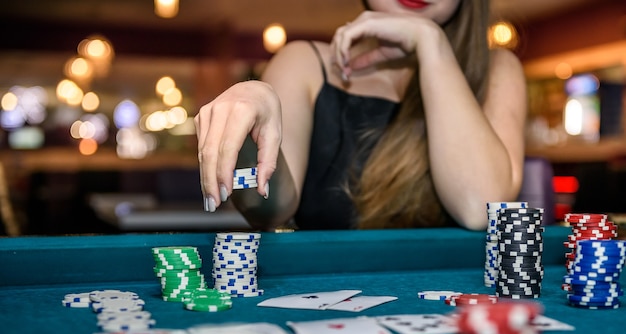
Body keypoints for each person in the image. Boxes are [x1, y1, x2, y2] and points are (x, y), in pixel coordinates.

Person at [194, 0, 527, 231]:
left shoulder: (498, 68)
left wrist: (431, 43)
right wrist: (252, 127)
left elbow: (478, 209)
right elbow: (267, 211)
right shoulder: (303, 62)